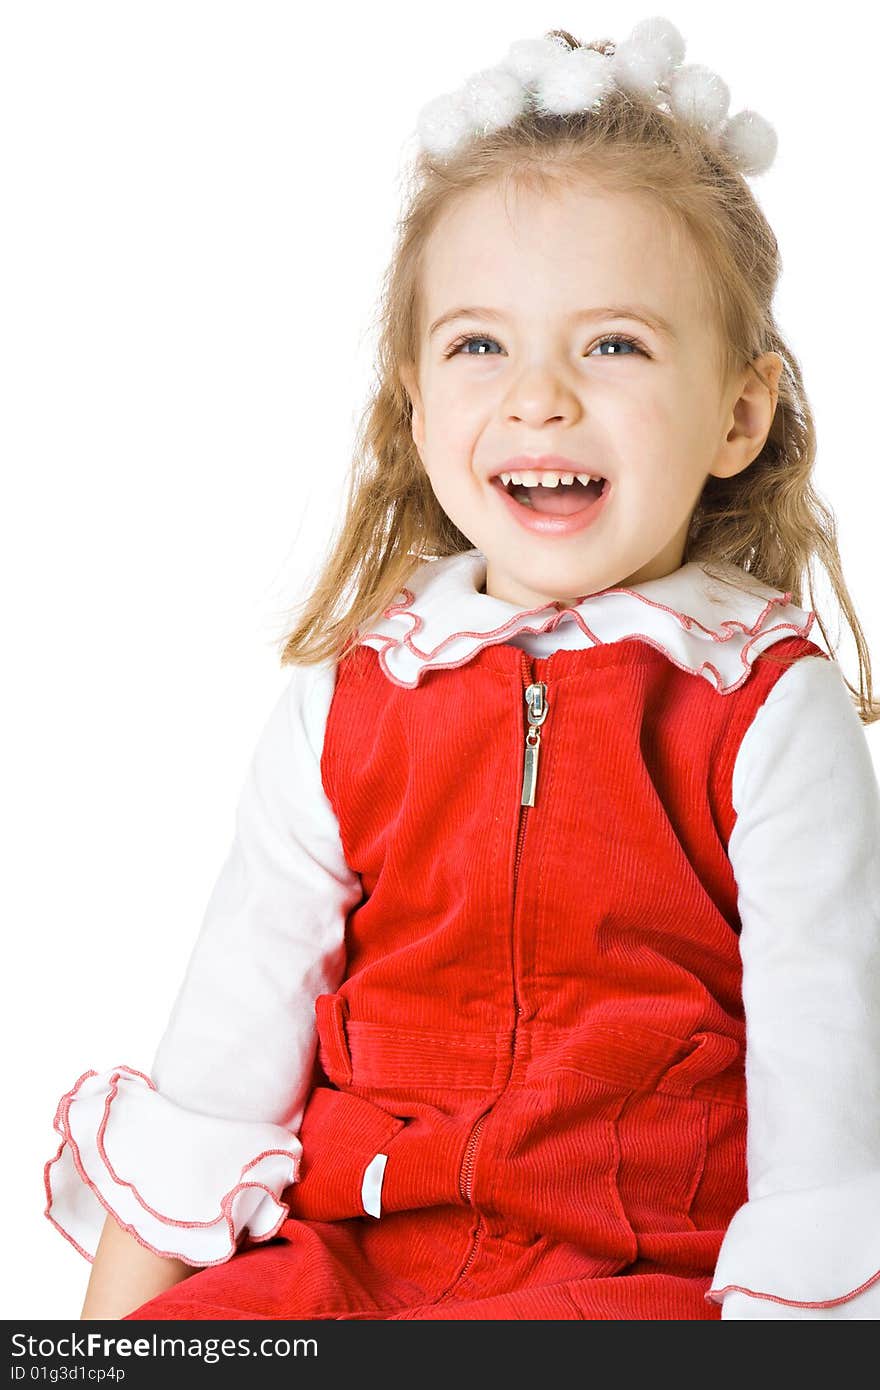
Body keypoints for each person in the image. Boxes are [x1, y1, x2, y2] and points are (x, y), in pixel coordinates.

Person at [45, 17, 880, 1321]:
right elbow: (224, 1058)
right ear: (417, 404)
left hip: (637, 1276)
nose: (538, 396)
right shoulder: (350, 698)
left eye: (614, 345)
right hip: (353, 1260)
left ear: (739, 412)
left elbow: (827, 1105)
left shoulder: (765, 709)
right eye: (480, 345)